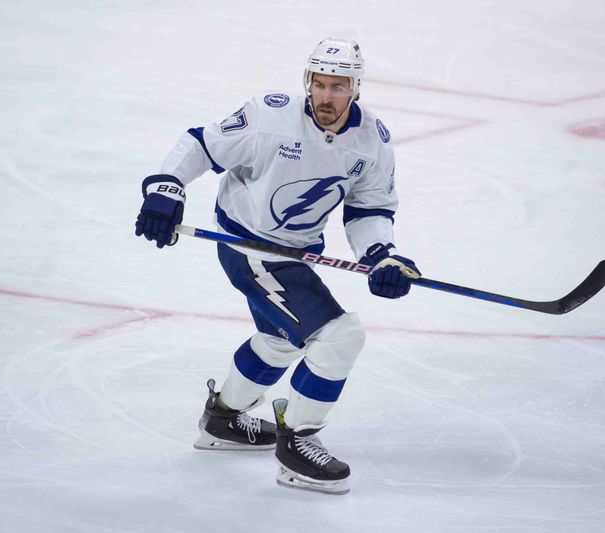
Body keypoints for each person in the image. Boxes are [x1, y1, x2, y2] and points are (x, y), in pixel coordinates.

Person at [134, 38, 420, 495]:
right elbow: (202, 145)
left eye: (338, 87)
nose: (326, 97)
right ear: (308, 81)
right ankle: (298, 443)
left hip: (294, 251)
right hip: (248, 247)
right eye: (319, 84)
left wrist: (380, 255)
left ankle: (222, 421)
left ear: (356, 89)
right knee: (340, 336)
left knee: (278, 339)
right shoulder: (270, 115)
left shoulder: (373, 142)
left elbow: (370, 210)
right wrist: (167, 187)